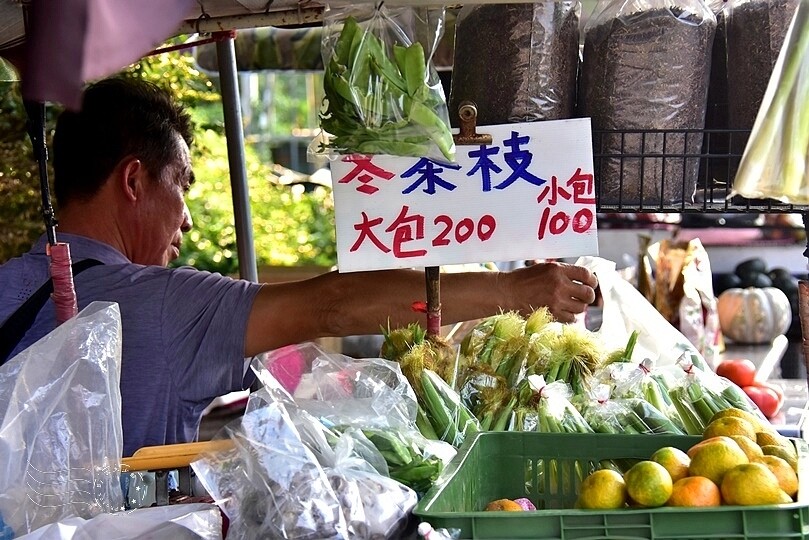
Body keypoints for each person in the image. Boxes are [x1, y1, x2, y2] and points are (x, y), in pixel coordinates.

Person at [0, 77, 598, 457]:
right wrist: (511, 290)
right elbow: (329, 304)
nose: (185, 221)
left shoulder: (7, 286)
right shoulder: (161, 306)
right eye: (180, 185)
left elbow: (302, 344)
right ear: (133, 179)